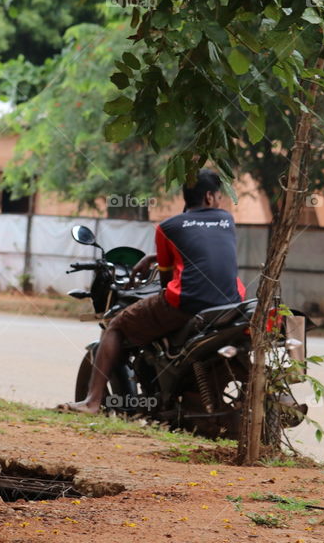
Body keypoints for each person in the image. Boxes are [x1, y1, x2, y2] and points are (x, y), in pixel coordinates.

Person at [60, 168, 246, 414]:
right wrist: (153, 257)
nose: (220, 200)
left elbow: (167, 280)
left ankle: (92, 401)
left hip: (189, 302)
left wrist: (156, 259)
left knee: (115, 325)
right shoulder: (226, 220)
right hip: (230, 301)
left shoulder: (168, 227)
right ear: (210, 197)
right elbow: (201, 248)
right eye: (220, 196)